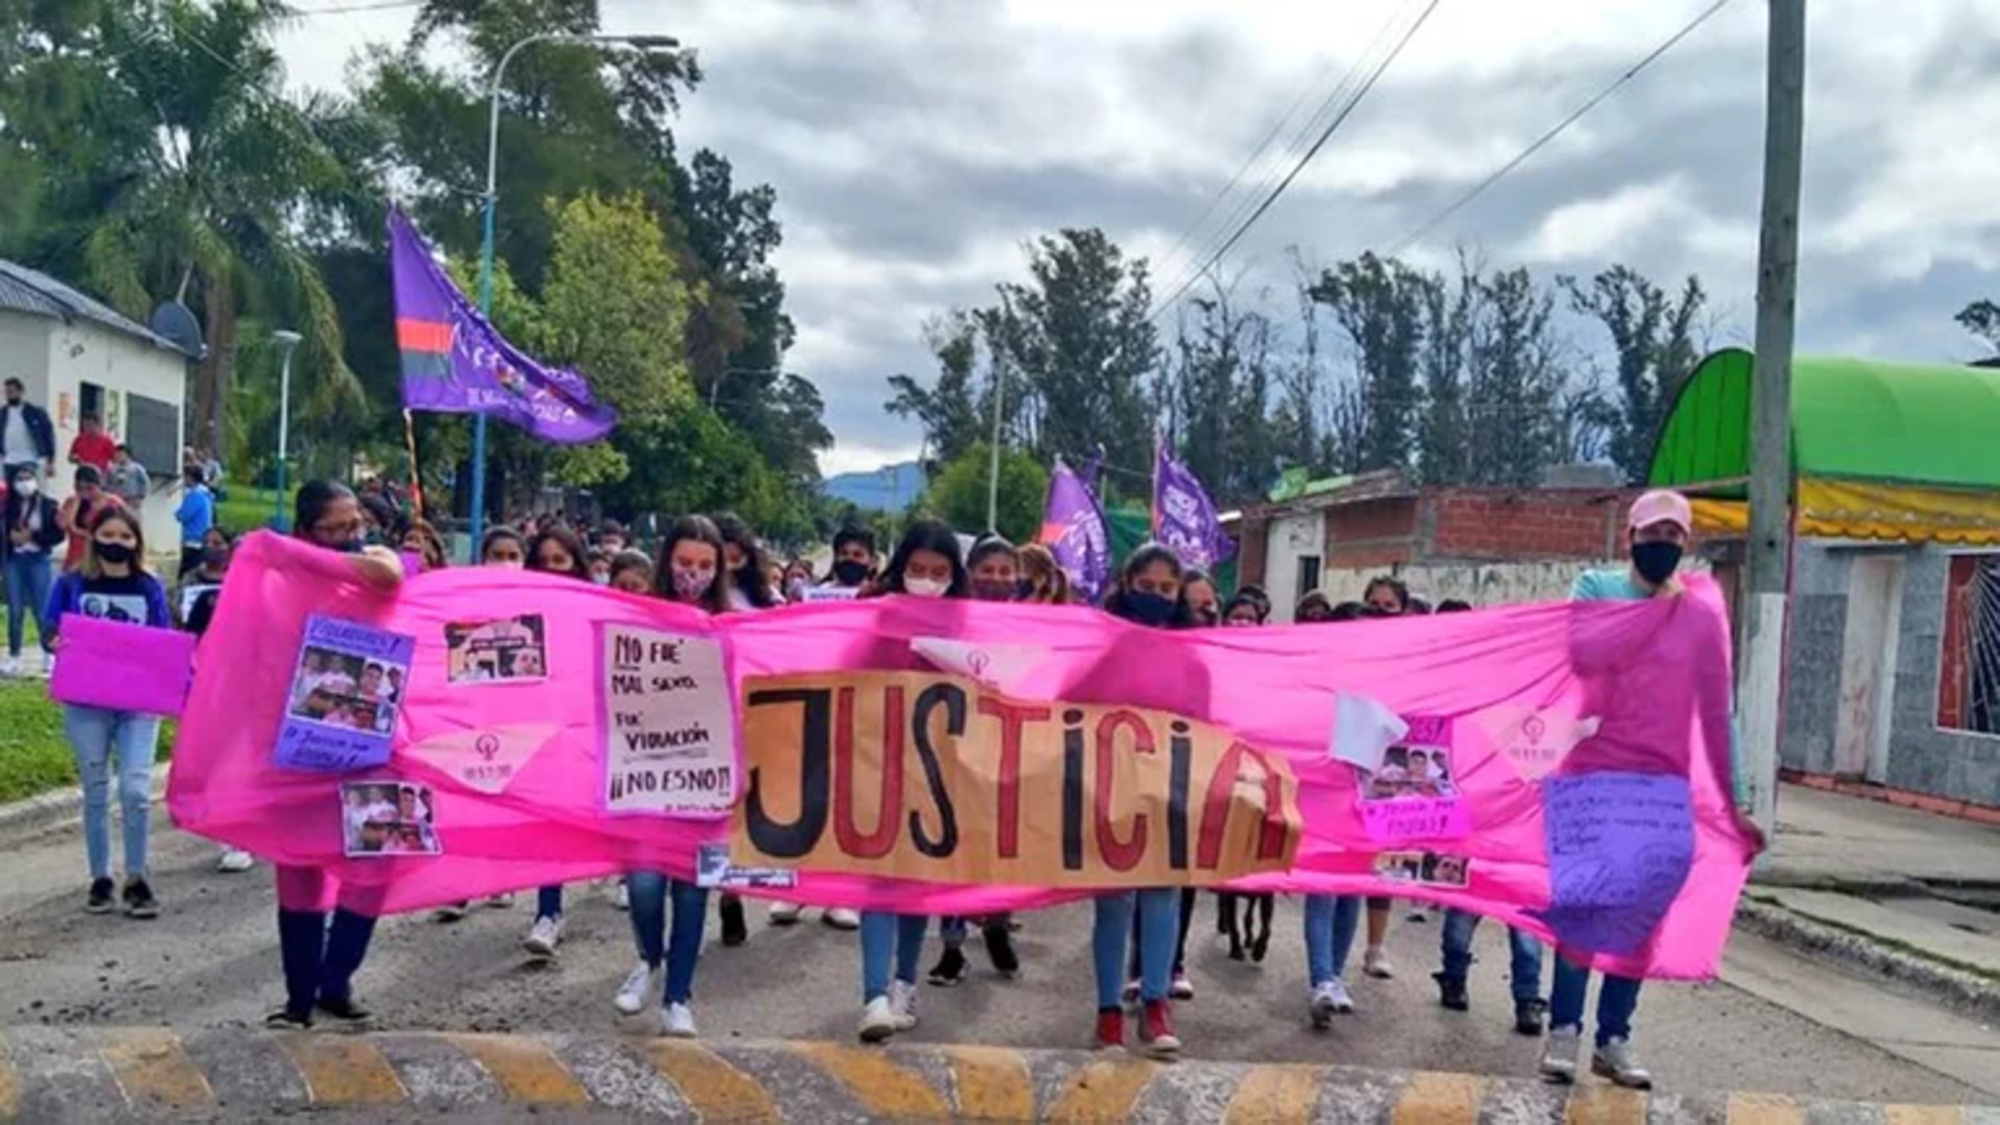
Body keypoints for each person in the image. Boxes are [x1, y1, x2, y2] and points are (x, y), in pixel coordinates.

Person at [1538, 490, 1700, 1091]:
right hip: (1591, 771)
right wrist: (1659, 616)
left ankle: (1614, 1038)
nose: (1663, 544)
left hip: (1659, 783)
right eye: (1653, 532)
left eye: (1675, 535)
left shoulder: (1698, 610)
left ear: (1688, 543)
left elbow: (1716, 704)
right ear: (1630, 535)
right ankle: (1563, 1032)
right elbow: (1585, 655)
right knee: (1584, 904)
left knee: (1639, 916)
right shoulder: (1595, 587)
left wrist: (1739, 798)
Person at [268, 480, 405, 1028]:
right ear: (306, 531)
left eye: (357, 525)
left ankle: (336, 979)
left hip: (373, 742)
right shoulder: (278, 582)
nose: (352, 535)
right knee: (298, 866)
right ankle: (299, 999)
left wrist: (325, 559)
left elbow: (388, 572)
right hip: (302, 744)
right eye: (337, 529)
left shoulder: (373, 564)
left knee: (375, 861)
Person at [611, 515, 730, 1038]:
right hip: (642, 772)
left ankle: (678, 997)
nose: (694, 574)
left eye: (705, 565)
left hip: (708, 781)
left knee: (691, 892)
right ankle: (649, 959)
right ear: (666, 561)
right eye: (684, 563)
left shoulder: (732, 622)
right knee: (642, 885)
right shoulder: (636, 615)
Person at [855, 518, 965, 1042]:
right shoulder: (876, 617)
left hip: (939, 772)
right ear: (901, 568)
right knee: (879, 878)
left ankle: (903, 982)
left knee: (917, 885)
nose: (927, 580)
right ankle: (874, 995)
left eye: (939, 572)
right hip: (877, 764)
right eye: (917, 570)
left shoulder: (966, 623)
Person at [45, 507, 171, 918]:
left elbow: (163, 640)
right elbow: (49, 632)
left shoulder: (149, 587)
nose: (116, 543)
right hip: (86, 703)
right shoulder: (70, 584)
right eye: (108, 534)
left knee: (135, 790)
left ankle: (137, 876)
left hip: (137, 703)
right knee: (96, 788)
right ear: (93, 537)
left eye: (125, 536)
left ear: (136, 543)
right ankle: (101, 877)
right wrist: (57, 642)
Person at [1428, 596, 1546, 1033]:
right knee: (1461, 917)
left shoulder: (1538, 718)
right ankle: (1454, 978)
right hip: (1473, 835)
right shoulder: (1470, 710)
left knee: (1526, 929)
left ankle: (1529, 1000)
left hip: (1521, 840)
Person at [1093, 544, 1189, 1058]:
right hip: (1110, 784)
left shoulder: (1194, 651)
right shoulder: (1100, 644)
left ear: (1179, 594)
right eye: (1146, 586)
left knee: (1161, 896)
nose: (1155, 596)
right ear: (1126, 583)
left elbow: (1210, 715)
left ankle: (1155, 1004)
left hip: (1172, 786)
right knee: (1112, 901)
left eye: (1166, 589)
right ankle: (1108, 1013)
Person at [766, 525, 873, 929]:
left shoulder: (882, 601)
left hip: (864, 714)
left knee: (850, 809)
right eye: (844, 552)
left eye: (858, 554)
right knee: (807, 804)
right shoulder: (813, 598)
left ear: (871, 560)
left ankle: (840, 895)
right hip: (816, 709)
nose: (850, 559)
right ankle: (796, 892)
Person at [929, 536, 1024, 987]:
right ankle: (951, 946)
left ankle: (998, 923)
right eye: (987, 570)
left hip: (1011, 754)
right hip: (954, 749)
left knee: (1000, 849)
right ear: (970, 572)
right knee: (954, 851)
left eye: (1006, 572)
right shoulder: (950, 622)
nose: (996, 579)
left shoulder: (1033, 625)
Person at [520, 524, 593, 957]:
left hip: (589, 727)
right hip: (538, 730)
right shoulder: (515, 613)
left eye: (560, 561)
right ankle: (549, 912)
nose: (551, 570)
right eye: (542, 561)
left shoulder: (597, 609)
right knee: (549, 821)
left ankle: (627, 877)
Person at [177, 529, 252, 873]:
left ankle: (249, 830)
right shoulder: (208, 600)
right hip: (219, 691)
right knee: (224, 764)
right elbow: (188, 641)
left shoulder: (276, 597)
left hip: (261, 692)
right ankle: (234, 837)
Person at [1353, 574, 1416, 978]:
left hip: (1391, 764)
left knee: (1384, 858)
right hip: (1350, 760)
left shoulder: (1413, 655)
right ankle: (1326, 963)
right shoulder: (1351, 648)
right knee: (1344, 855)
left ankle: (1375, 946)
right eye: (1373, 604)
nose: (1379, 612)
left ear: (1403, 611)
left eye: (1388, 606)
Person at [3, 464, 63, 678]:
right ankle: (14, 656)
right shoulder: (9, 504)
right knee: (15, 610)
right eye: (20, 478)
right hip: (15, 560)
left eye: (28, 478)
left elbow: (57, 534)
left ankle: (49, 655)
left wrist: (33, 537)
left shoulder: (48, 505)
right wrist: (10, 538)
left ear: (36, 481)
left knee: (42, 610)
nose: (24, 483)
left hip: (39, 559)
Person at [58, 466, 122, 572]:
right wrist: (76, 501)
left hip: (102, 562)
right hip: (75, 561)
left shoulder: (112, 503)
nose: (85, 492)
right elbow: (62, 524)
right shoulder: (72, 501)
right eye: (80, 488)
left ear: (99, 485)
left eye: (89, 488)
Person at [714, 512, 781, 611]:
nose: (727, 566)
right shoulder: (696, 595)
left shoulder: (766, 594)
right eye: (720, 559)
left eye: (735, 559)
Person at [1, 377, 55, 483]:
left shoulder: (36, 412)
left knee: (26, 490)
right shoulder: (2, 413)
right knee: (9, 494)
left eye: (11, 391)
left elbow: (48, 436)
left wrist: (50, 462)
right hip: (8, 460)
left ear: (21, 391)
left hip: (29, 458)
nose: (8, 395)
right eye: (6, 392)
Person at [174, 465, 215, 579]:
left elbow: (183, 515)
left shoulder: (195, 495)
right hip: (203, 538)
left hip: (193, 540)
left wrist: (176, 513)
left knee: (185, 574)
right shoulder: (206, 494)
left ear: (190, 478)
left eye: (185, 477)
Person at [107, 445, 150, 512]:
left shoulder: (137, 468)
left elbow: (145, 483)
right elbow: (107, 483)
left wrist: (140, 497)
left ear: (128, 455)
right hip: (116, 499)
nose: (118, 456)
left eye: (121, 454)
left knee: (130, 519)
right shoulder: (112, 468)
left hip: (131, 499)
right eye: (117, 454)